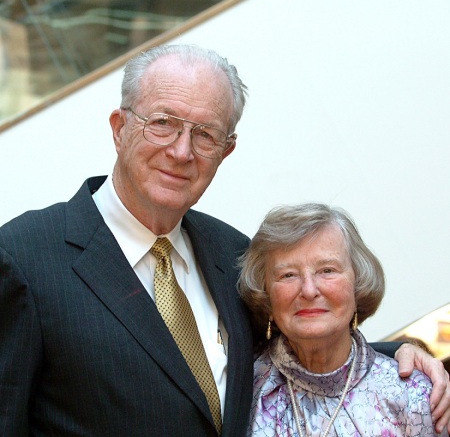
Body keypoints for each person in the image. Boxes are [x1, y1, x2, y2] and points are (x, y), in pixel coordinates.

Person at [0, 44, 448, 437]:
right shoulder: (23, 257)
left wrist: (401, 358)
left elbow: (297, 349)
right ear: (119, 128)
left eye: (205, 134)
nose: (181, 151)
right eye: (162, 123)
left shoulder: (232, 253)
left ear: (226, 150)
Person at [239, 203, 448, 436]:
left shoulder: (413, 394)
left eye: (327, 270)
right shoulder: (239, 394)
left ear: (357, 285)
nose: (309, 290)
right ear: (265, 294)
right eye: (288, 275)